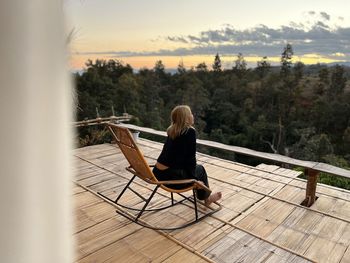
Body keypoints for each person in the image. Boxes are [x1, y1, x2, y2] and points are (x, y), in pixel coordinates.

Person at [153, 105, 222, 206]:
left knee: (193, 169)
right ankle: (206, 199)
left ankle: (204, 193)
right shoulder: (190, 131)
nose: (192, 115)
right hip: (172, 179)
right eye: (190, 113)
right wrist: (195, 181)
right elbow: (190, 159)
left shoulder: (172, 131)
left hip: (158, 174)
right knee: (200, 169)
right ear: (185, 118)